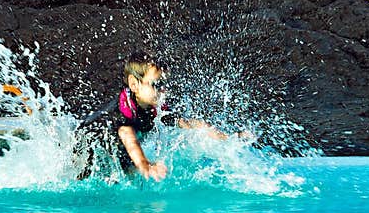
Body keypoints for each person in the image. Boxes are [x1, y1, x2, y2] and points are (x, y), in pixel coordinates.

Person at [75, 50, 251, 181]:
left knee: (124, 173)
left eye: (163, 84)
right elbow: (126, 135)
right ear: (134, 84)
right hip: (87, 141)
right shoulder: (123, 109)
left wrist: (228, 138)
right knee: (87, 177)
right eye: (155, 84)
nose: (162, 90)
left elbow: (189, 124)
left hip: (116, 149)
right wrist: (145, 164)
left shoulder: (154, 107)